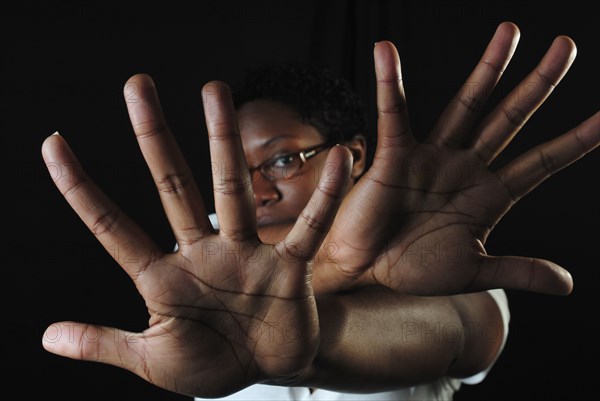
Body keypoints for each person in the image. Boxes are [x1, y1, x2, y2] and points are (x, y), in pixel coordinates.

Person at [40, 21, 599, 400]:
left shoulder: (446, 262)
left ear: (353, 156)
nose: (256, 190)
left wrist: (298, 336)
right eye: (236, 169)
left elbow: (452, 332)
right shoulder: (204, 268)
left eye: (281, 160)